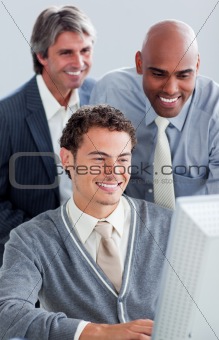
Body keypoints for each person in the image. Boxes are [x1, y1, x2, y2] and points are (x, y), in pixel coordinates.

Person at [0, 104, 172, 340]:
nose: (113, 171)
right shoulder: (31, 239)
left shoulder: (170, 225)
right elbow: (7, 315)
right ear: (67, 159)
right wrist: (97, 332)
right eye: (99, 159)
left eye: (122, 159)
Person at [0, 5, 96, 265]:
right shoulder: (7, 115)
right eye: (67, 53)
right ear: (42, 55)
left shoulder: (102, 98)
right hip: (34, 259)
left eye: (85, 50)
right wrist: (46, 239)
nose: (79, 63)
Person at [89, 19, 219, 206]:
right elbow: (91, 178)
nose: (170, 89)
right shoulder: (111, 94)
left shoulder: (214, 111)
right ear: (139, 63)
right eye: (159, 74)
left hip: (194, 231)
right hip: (123, 225)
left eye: (183, 75)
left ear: (197, 66)